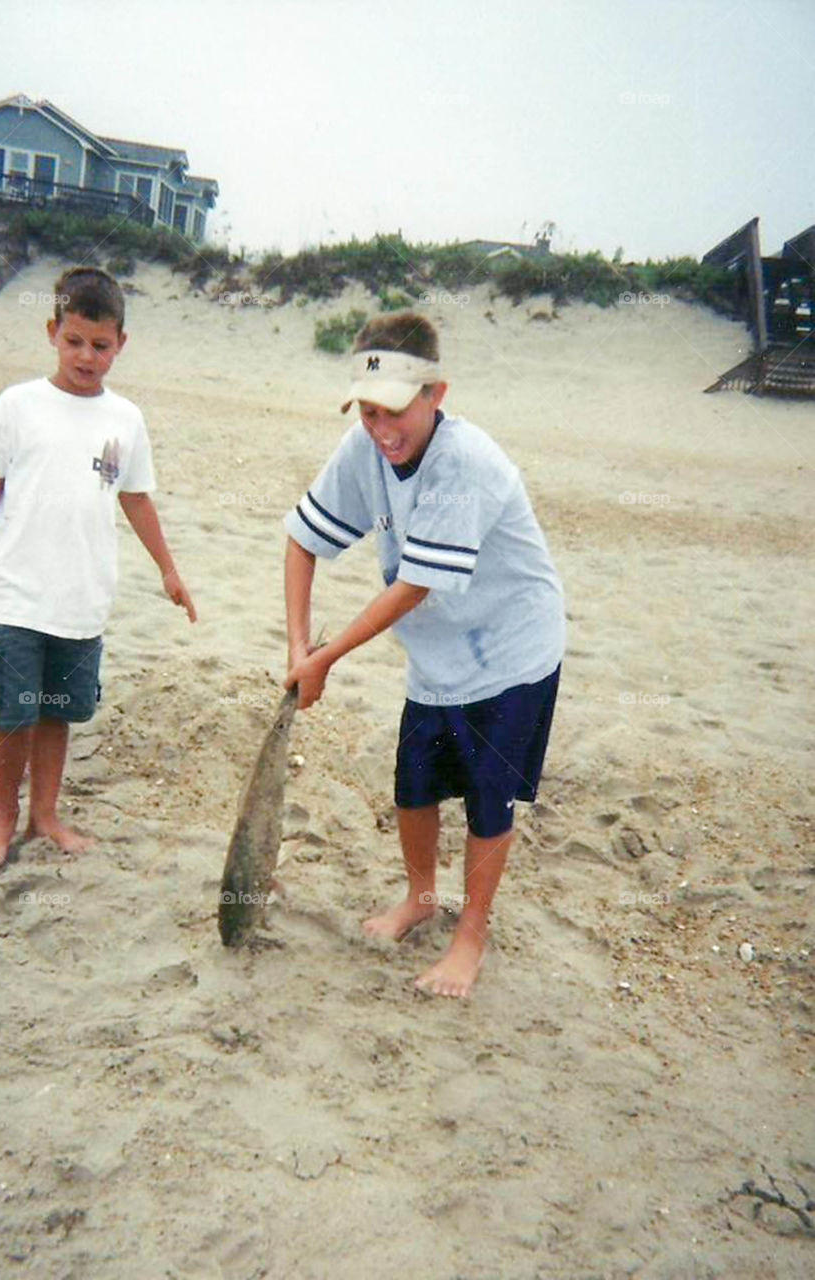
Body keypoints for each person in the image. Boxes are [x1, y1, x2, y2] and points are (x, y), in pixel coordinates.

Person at [283, 312, 564, 998]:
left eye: (396, 412)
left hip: (511, 649)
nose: (382, 430)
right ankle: (421, 897)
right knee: (414, 782)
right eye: (369, 411)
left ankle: (471, 936)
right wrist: (298, 645)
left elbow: (414, 585)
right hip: (439, 653)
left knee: (486, 801)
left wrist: (328, 659)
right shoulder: (364, 449)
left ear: (436, 394)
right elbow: (301, 540)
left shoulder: (462, 463)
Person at [0, 266, 196, 870]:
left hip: (83, 598)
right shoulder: (18, 406)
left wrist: (168, 569)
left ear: (120, 344)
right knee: (9, 714)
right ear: (53, 331)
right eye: (75, 341)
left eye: (101, 345)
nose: (87, 356)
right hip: (15, 595)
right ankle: (4, 819)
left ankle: (45, 815)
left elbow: (135, 498)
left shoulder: (125, 420)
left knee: (58, 711)